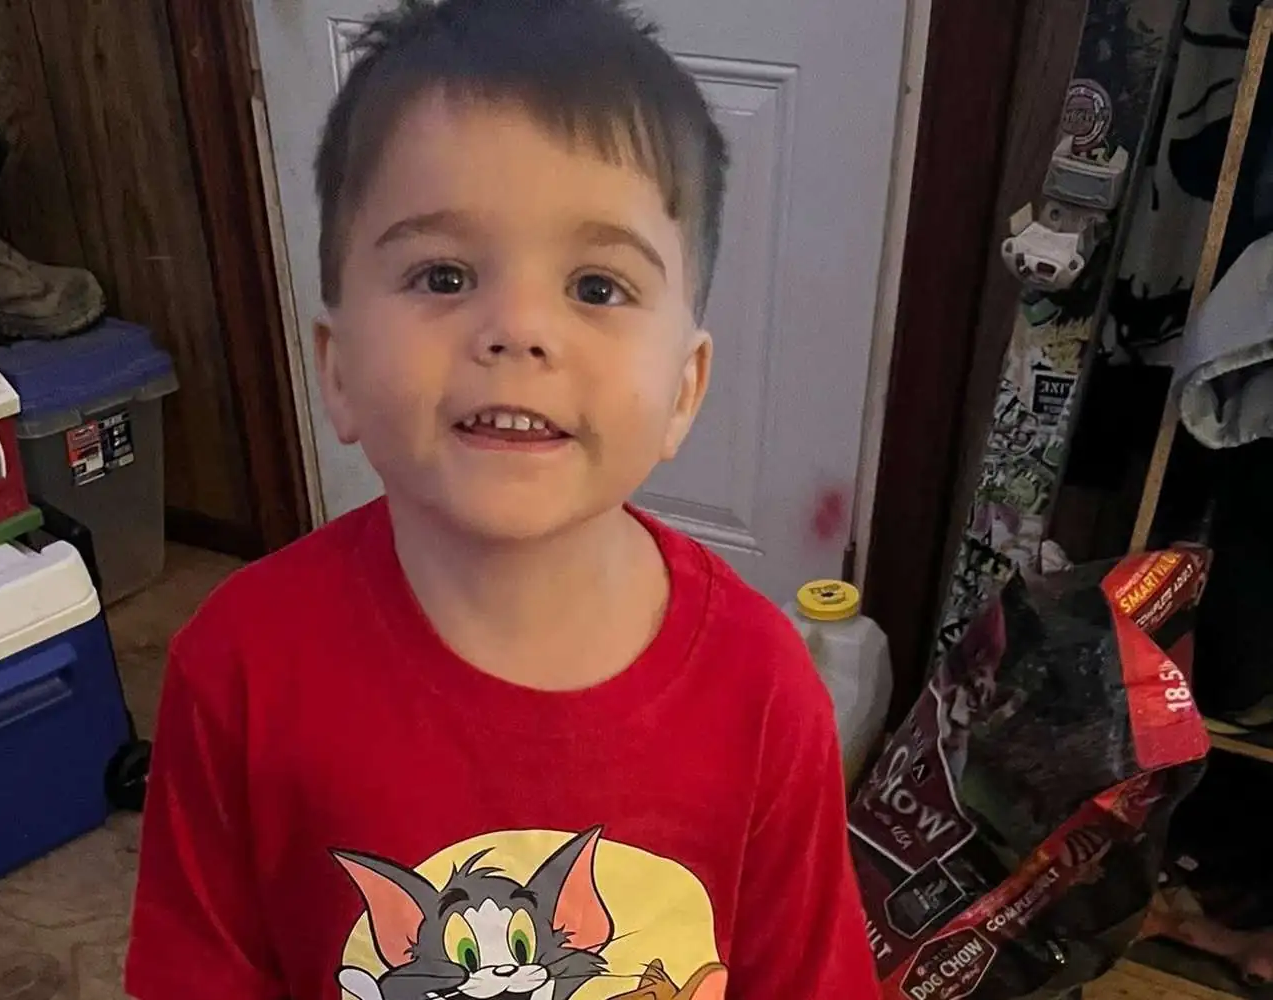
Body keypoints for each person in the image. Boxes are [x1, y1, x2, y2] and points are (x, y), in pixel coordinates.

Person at [125, 0, 879, 997]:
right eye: (443, 274)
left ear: (683, 392)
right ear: (338, 368)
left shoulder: (766, 691)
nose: (519, 328)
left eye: (597, 287)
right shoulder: (238, 671)